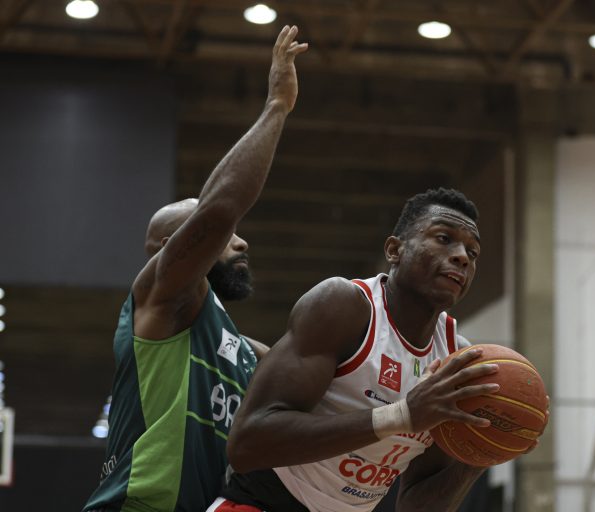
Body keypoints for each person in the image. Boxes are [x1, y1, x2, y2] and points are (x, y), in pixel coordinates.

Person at [83, 25, 308, 512]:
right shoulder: (160, 299)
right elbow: (219, 211)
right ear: (172, 248)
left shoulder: (244, 350)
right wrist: (277, 106)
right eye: (224, 237)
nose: (241, 241)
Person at [210, 188, 520, 512]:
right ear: (394, 250)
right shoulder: (345, 306)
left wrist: (483, 453)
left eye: (472, 252)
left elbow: (414, 506)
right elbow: (247, 444)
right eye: (444, 238)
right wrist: (401, 416)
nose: (462, 257)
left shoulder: (456, 359)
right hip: (261, 503)